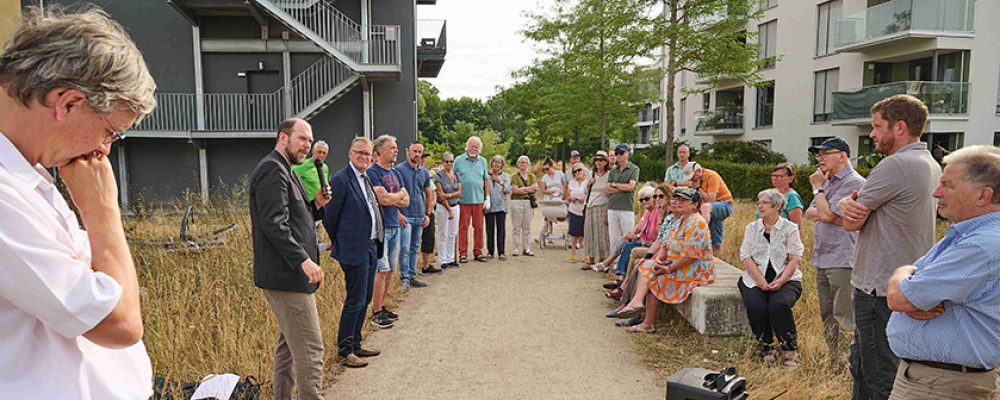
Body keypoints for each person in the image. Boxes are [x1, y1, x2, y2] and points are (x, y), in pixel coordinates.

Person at [0, 7, 156, 398]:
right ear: (67, 103)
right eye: (110, 132)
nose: (103, 151)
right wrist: (102, 211)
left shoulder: (29, 175)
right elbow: (119, 322)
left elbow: (103, 283)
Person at [838, 94, 941, 400]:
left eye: (877, 126)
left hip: (877, 288)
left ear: (899, 127)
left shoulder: (895, 165)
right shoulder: (928, 163)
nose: (871, 134)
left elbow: (850, 222)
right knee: (883, 367)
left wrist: (846, 203)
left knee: (875, 375)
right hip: (902, 285)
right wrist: (849, 203)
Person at [884, 145, 1000, 400]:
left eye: (948, 185)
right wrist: (904, 278)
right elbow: (907, 282)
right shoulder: (968, 235)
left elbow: (899, 298)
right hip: (937, 380)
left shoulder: (979, 245)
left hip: (939, 385)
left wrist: (903, 281)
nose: (936, 193)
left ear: (983, 195)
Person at [250, 119, 330, 398]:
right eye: (302, 138)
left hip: (288, 277)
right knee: (310, 349)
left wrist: (316, 206)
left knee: (288, 348)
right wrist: (303, 260)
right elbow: (274, 223)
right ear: (283, 137)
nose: (307, 145)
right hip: (287, 277)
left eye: (310, 140)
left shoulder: (288, 169)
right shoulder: (273, 170)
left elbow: (296, 217)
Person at [616, 187, 714, 333]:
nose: (678, 202)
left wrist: (668, 268)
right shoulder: (681, 220)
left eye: (684, 200)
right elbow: (665, 244)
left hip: (694, 270)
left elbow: (689, 256)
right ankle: (640, 309)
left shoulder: (697, 222)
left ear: (694, 205)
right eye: (677, 199)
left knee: (654, 276)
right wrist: (659, 259)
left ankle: (645, 319)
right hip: (676, 265)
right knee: (649, 267)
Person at [323, 137, 384, 369]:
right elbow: (330, 216)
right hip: (353, 249)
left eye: (368, 154)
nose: (364, 157)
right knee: (355, 300)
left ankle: (356, 343)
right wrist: (341, 241)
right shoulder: (341, 180)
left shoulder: (365, 177)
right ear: (350, 153)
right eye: (360, 152)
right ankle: (345, 350)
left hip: (370, 246)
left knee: (365, 298)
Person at [805, 137, 866, 361]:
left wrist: (817, 190)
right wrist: (826, 212)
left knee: (843, 314)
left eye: (825, 153)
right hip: (823, 256)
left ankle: (846, 360)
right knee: (827, 313)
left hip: (843, 257)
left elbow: (824, 214)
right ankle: (834, 358)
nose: (819, 158)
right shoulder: (828, 182)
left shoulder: (853, 183)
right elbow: (810, 213)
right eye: (818, 154)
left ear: (842, 155)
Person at [738, 189, 805, 368]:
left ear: (777, 206)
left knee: (779, 305)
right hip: (754, 278)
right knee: (756, 305)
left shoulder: (789, 228)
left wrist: (781, 281)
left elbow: (795, 258)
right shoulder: (752, 228)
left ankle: (790, 351)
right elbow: (745, 256)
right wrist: (760, 281)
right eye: (758, 202)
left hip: (786, 279)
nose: (759, 205)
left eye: (764, 202)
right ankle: (767, 347)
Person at [366, 135, 409, 330]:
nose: (396, 150)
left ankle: (382, 307)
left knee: (391, 269)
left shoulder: (395, 173)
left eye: (396, 147)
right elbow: (382, 200)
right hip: (381, 228)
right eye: (392, 147)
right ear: (379, 151)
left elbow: (406, 200)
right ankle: (375, 312)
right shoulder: (373, 172)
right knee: (381, 270)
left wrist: (393, 197)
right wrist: (397, 196)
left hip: (394, 225)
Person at [591, 185, 660, 276]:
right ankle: (611, 266)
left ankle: (614, 268)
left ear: (653, 198)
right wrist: (631, 234)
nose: (644, 202)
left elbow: (654, 234)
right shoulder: (647, 212)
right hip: (645, 240)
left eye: (647, 199)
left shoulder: (657, 212)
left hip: (652, 243)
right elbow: (638, 227)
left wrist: (637, 236)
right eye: (641, 200)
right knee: (625, 238)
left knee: (628, 245)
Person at [395, 141, 435, 285]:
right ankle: (404, 278)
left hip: (419, 215)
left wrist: (428, 214)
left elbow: (428, 194)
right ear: (408, 152)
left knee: (414, 247)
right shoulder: (398, 170)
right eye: (414, 151)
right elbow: (394, 193)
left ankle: (412, 276)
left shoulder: (424, 172)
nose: (417, 154)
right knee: (404, 247)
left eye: (419, 152)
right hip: (405, 215)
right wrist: (398, 213)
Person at [454, 136, 490, 263]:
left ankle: (478, 251)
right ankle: (462, 253)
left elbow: (486, 180)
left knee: (479, 227)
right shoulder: (458, 160)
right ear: (467, 146)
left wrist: (488, 197)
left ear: (479, 149)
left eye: (476, 146)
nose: (473, 148)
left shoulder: (483, 161)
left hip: (479, 200)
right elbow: (453, 178)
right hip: (463, 200)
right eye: (472, 146)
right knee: (463, 227)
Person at [606, 144, 641, 259]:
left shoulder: (634, 169)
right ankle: (613, 262)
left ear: (627, 154)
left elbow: (631, 187)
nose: (619, 155)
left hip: (626, 207)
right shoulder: (613, 171)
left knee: (628, 235)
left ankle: (625, 261)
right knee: (614, 237)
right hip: (612, 207)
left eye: (621, 153)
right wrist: (622, 188)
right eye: (616, 153)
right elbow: (607, 190)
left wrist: (615, 185)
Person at [692, 164, 734, 253]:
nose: (692, 180)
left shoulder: (712, 176)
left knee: (706, 207)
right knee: (715, 242)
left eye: (693, 177)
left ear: (699, 171)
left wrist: (698, 188)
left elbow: (711, 199)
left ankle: (699, 233)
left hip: (725, 204)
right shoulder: (696, 179)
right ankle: (716, 256)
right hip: (711, 209)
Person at [583, 151, 611, 269]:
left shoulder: (609, 174)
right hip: (590, 205)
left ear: (606, 162)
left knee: (602, 233)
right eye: (596, 160)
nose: (598, 162)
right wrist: (589, 184)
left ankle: (603, 258)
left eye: (601, 160)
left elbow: (609, 191)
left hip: (603, 204)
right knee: (590, 232)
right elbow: (584, 191)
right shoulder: (591, 174)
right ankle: (590, 258)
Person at [435, 151, 462, 268]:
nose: (449, 163)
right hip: (443, 207)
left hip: (456, 205)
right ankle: (443, 260)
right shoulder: (439, 176)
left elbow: (459, 192)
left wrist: (449, 195)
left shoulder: (456, 175)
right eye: (447, 161)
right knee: (443, 233)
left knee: (452, 233)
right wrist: (449, 209)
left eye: (451, 161)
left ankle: (450, 258)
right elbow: (441, 195)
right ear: (443, 162)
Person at [509, 155, 538, 257]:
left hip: (528, 202)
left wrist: (523, 189)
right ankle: (515, 248)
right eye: (521, 162)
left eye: (525, 162)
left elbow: (535, 189)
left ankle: (526, 248)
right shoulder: (514, 176)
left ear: (528, 164)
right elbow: (515, 190)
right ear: (518, 164)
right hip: (516, 202)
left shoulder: (532, 176)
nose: (523, 164)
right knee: (516, 226)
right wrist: (528, 188)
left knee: (527, 226)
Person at [291, 140, 331, 210]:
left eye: (324, 153)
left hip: (321, 207)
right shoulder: (303, 165)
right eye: (319, 152)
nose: (321, 155)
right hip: (306, 207)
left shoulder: (325, 168)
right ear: (313, 151)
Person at [485, 155, 511, 260]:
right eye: (494, 162)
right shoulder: (486, 175)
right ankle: (490, 252)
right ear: (491, 164)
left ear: (502, 165)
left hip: (501, 207)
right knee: (489, 230)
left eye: (499, 162)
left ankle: (501, 252)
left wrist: (500, 181)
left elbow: (508, 190)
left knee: (501, 230)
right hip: (489, 207)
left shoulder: (505, 176)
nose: (496, 164)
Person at [419, 152, 440, 274]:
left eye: (424, 158)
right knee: (413, 242)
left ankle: (426, 265)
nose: (422, 160)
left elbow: (433, 192)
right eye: (421, 157)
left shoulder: (425, 173)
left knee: (429, 238)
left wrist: (430, 206)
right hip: (416, 211)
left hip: (428, 211)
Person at [769, 163, 804, 227]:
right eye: (774, 175)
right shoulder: (768, 194)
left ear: (791, 179)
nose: (775, 178)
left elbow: (796, 227)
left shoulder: (792, 197)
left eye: (780, 176)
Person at [566, 162, 588, 263]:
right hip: (573, 210)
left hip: (584, 210)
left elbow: (587, 196)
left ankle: (586, 255)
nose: (577, 172)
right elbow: (567, 196)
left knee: (585, 233)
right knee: (574, 234)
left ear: (584, 171)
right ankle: (573, 254)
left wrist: (582, 198)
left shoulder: (587, 182)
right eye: (575, 171)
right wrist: (572, 198)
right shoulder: (571, 183)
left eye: (579, 170)